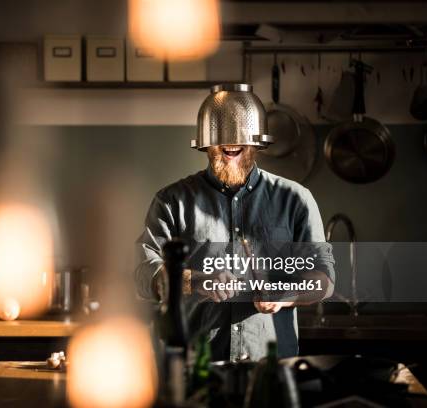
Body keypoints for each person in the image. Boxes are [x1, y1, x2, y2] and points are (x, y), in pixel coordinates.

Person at [135, 89, 335, 361]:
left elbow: (323, 280)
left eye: (240, 137)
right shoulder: (171, 201)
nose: (231, 145)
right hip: (197, 367)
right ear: (205, 143)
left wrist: (284, 294)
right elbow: (144, 275)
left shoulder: (296, 199)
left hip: (271, 367)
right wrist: (195, 281)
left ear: (258, 142)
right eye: (222, 139)